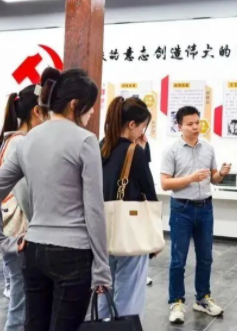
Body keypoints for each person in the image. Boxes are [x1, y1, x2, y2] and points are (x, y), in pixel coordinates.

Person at [0, 68, 111, 331]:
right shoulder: (85, 140)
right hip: (73, 254)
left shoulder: (28, 140)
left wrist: (3, 242)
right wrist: (102, 266)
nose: (91, 113)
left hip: (34, 250)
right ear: (74, 104)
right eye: (90, 107)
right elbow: (94, 209)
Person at [161, 106, 231, 324]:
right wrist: (190, 178)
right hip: (181, 209)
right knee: (178, 259)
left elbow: (213, 179)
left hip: (205, 208)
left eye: (197, 122)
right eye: (190, 124)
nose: (195, 127)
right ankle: (176, 302)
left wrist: (221, 174)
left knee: (205, 257)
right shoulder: (171, 150)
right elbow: (165, 183)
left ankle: (202, 298)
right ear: (179, 126)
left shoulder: (208, 148)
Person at [0, 85, 48, 331]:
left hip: (12, 225)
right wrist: (38, 222)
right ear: (37, 111)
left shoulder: (11, 139)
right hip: (20, 226)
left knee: (20, 288)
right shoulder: (21, 142)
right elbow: (24, 191)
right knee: (21, 292)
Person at [99, 96, 158, 320]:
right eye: (143, 126)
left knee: (104, 292)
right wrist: (154, 236)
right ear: (132, 124)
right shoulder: (135, 152)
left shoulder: (101, 146)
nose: (143, 132)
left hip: (102, 230)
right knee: (129, 296)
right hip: (130, 231)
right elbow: (149, 194)